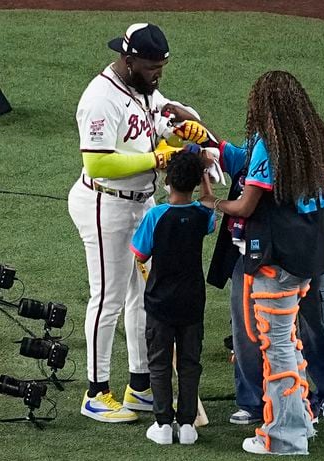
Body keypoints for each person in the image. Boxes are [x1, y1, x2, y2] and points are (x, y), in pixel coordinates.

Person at [68, 22, 208, 423]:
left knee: (140, 297)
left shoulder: (142, 89)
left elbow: (156, 120)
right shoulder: (100, 98)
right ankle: (96, 392)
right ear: (129, 61)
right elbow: (98, 162)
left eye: (161, 66)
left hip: (139, 205)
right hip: (105, 203)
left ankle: (140, 386)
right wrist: (156, 159)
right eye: (151, 67)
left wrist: (180, 125)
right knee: (107, 297)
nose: (157, 74)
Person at [201, 70, 324, 455]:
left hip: (272, 264)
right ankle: (302, 418)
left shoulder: (271, 145)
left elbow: (246, 204)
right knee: (290, 341)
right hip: (306, 260)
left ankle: (284, 436)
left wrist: (212, 203)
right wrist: (217, 146)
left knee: (277, 345)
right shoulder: (317, 143)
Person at [129, 149, 216, 445]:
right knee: (190, 364)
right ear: (195, 182)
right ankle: (188, 425)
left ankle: (163, 424)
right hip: (192, 303)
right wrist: (205, 177)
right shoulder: (202, 215)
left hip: (160, 304)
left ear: (167, 180)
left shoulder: (156, 215)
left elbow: (140, 253)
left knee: (160, 364)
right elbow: (208, 203)